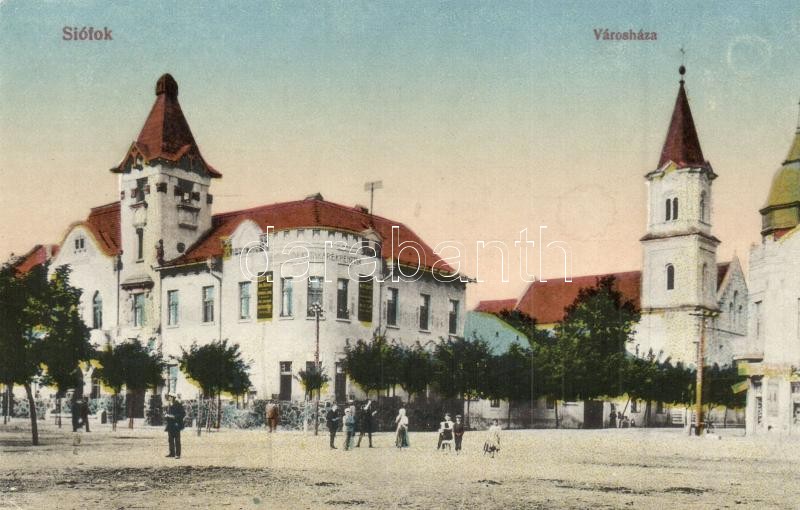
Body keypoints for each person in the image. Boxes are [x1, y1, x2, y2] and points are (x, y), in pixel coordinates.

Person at [164, 394, 186, 459]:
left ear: (173, 397)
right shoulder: (169, 404)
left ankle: (178, 454)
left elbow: (183, 414)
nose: (168, 398)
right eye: (168, 397)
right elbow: (168, 412)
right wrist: (166, 415)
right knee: (170, 439)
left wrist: (174, 416)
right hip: (170, 424)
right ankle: (172, 453)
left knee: (177, 440)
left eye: (170, 397)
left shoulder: (178, 404)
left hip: (176, 424)